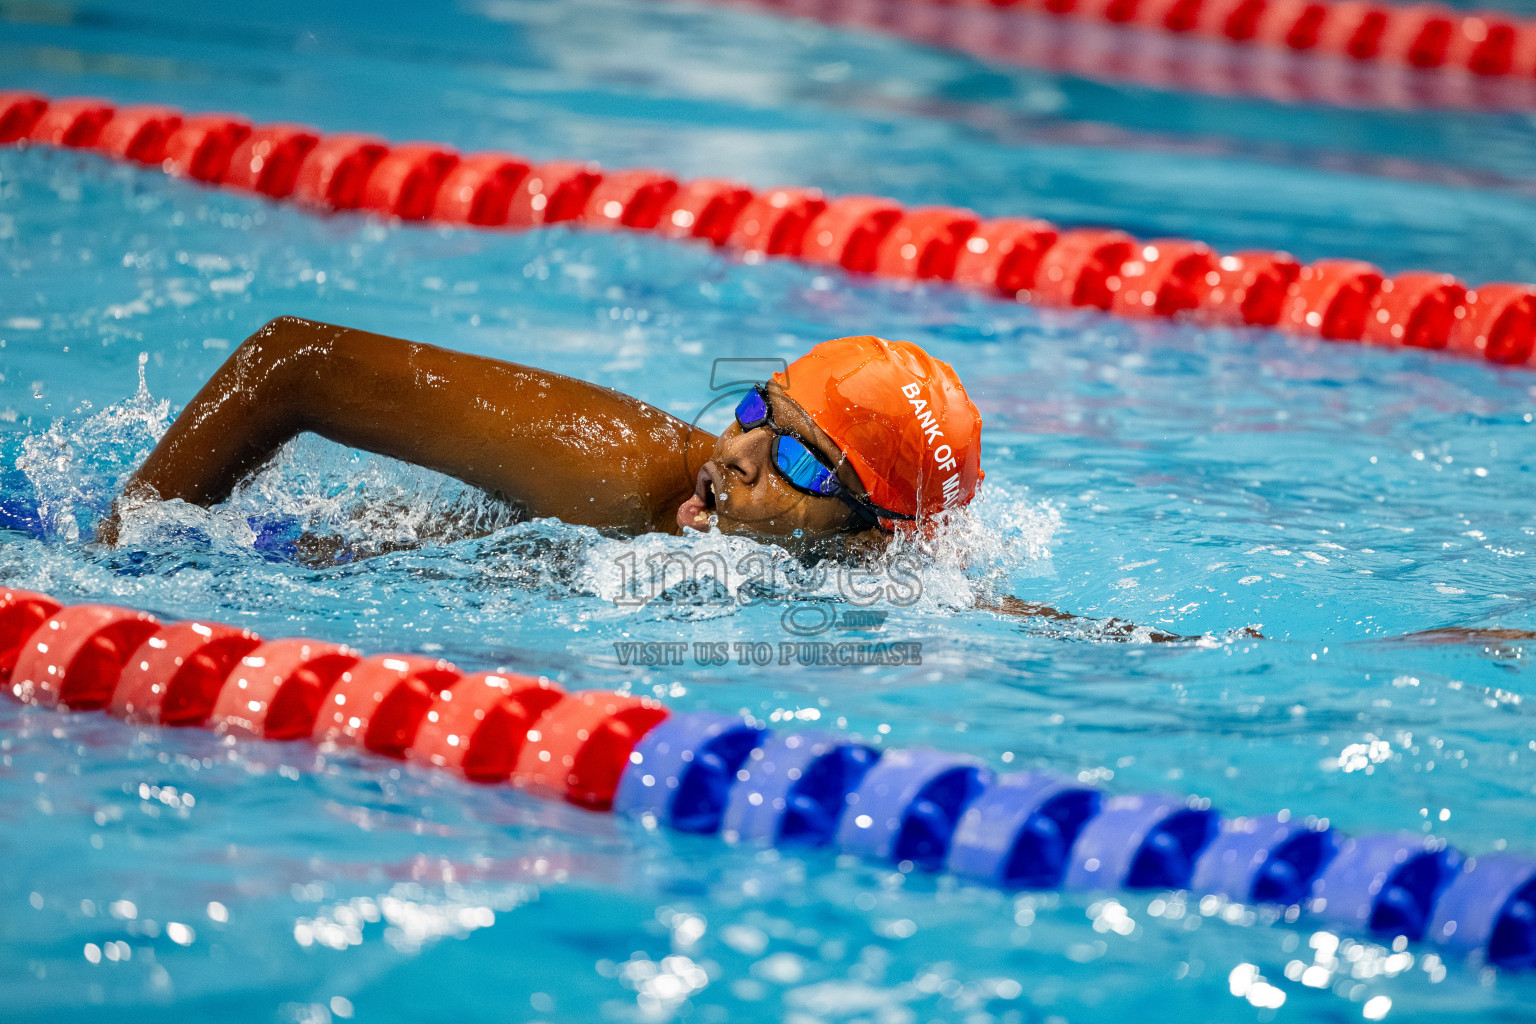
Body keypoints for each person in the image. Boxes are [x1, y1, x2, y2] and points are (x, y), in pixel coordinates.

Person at [98, 316, 1215, 641]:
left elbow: (1014, 616)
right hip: (273, 568)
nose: (731, 450)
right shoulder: (631, 475)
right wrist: (115, 558)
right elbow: (299, 361)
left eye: (787, 453)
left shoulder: (870, 577)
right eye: (754, 410)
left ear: (872, 531)